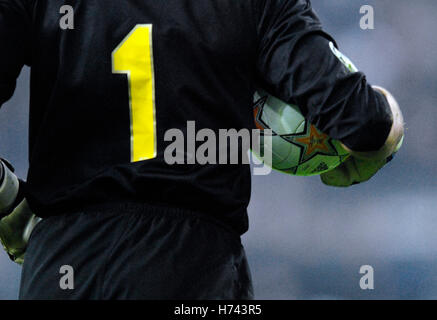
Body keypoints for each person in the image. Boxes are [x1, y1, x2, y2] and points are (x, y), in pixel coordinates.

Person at [0, 0, 403, 299]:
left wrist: (8, 201)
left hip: (63, 267)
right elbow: (362, 121)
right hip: (192, 270)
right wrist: (389, 124)